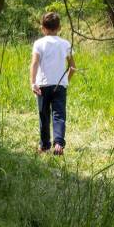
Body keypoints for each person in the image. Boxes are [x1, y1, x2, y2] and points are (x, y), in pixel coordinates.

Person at [30, 12, 75, 155]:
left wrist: (33, 82)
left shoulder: (38, 43)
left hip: (42, 85)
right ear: (59, 28)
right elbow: (72, 67)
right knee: (59, 115)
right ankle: (58, 144)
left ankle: (44, 146)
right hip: (59, 85)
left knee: (44, 115)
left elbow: (34, 63)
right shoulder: (65, 44)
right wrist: (66, 80)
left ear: (42, 28)